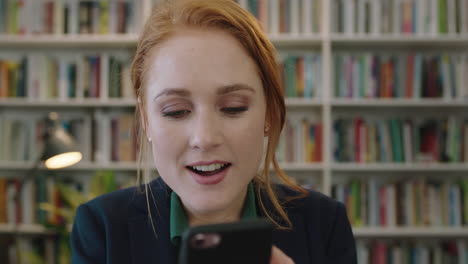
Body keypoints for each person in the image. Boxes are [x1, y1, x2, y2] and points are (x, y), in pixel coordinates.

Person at [70, 0, 357, 263]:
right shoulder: (101, 227)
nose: (205, 138)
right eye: (176, 111)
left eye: (233, 107)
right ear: (145, 120)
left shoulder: (324, 223)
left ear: (269, 113)